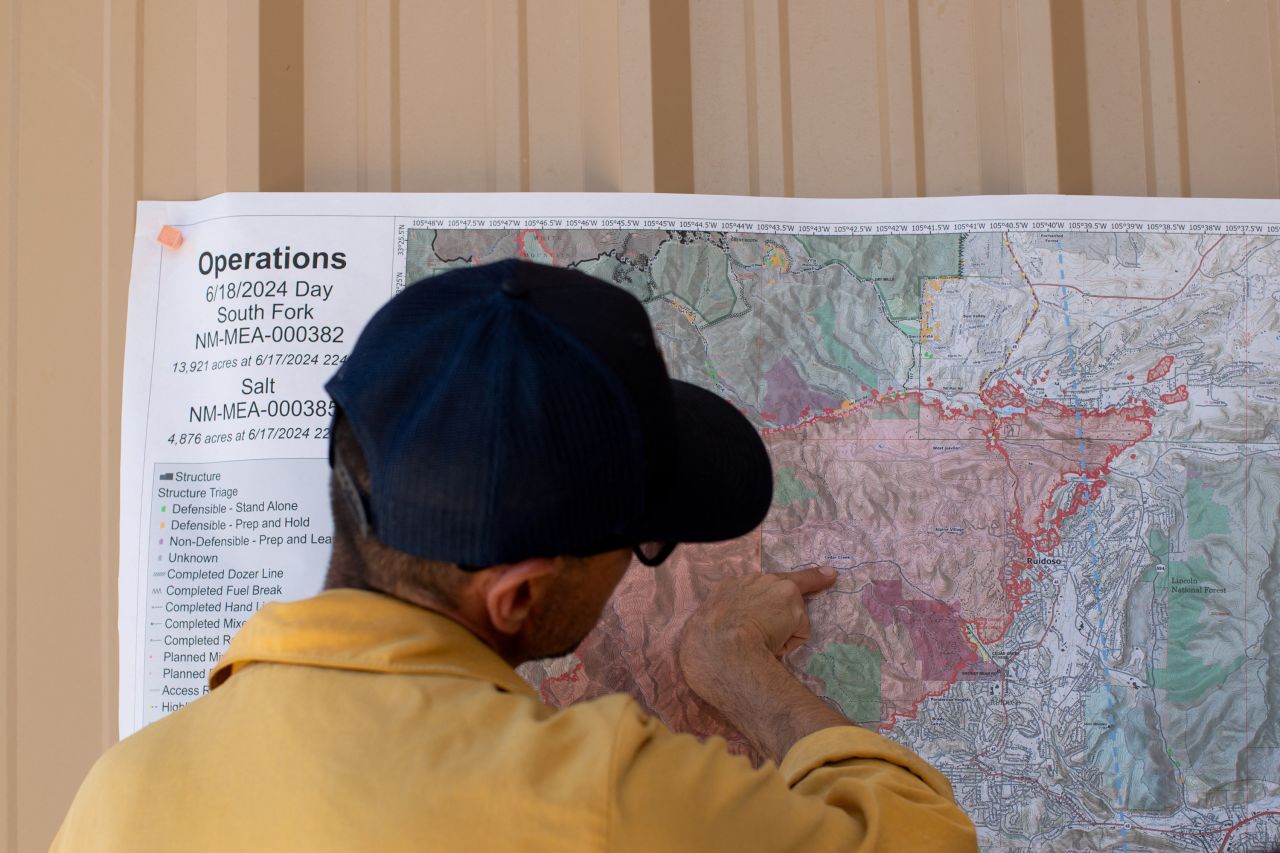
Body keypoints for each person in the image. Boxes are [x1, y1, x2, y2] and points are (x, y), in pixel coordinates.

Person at [53, 260, 977, 851]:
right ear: (518, 595)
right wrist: (738, 670)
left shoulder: (118, 796)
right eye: (643, 543)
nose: (639, 567)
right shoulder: (597, 796)